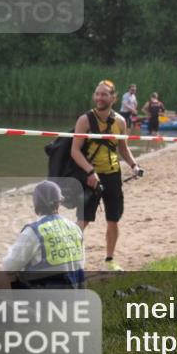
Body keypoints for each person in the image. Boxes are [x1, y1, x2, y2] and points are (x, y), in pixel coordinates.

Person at [70, 80, 141, 271]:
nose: (100, 97)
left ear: (113, 98)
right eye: (97, 94)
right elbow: (75, 151)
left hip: (113, 176)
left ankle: (110, 260)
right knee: (83, 220)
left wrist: (134, 165)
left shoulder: (120, 121)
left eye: (104, 94)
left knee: (113, 219)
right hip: (90, 176)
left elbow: (123, 149)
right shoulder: (84, 120)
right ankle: (71, 261)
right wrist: (90, 172)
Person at [0, 180, 85, 290]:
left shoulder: (34, 231)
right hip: (75, 298)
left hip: (46, 303)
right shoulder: (75, 228)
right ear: (59, 203)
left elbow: (9, 267)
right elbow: (79, 266)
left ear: (36, 205)